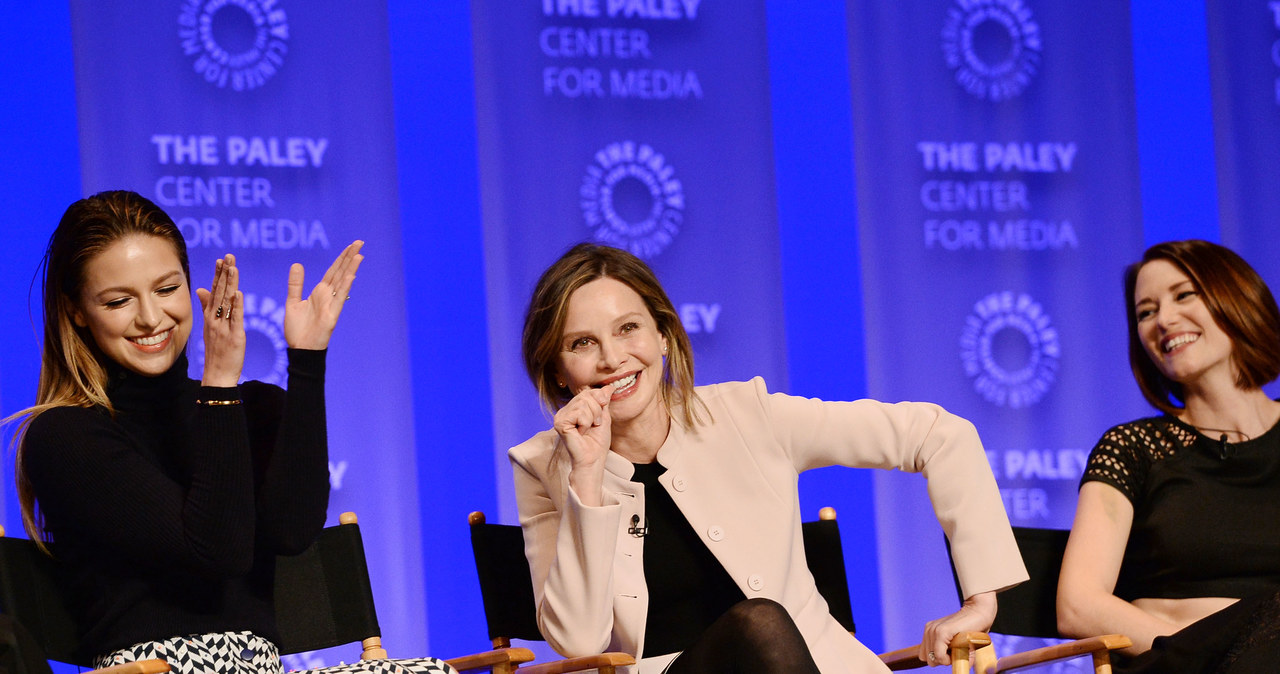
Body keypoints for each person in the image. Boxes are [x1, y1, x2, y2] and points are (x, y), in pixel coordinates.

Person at [510, 243, 1028, 673]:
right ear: (558, 371)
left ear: (663, 336)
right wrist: (588, 476)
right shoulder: (546, 468)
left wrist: (981, 603)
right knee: (759, 623)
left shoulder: (748, 415)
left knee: (766, 627)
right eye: (582, 343)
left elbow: (939, 435)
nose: (612, 358)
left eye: (628, 329)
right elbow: (579, 642)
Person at [5, 191, 454, 674]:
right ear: (76, 312)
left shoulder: (254, 405)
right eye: (118, 301)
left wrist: (306, 361)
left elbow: (292, 532)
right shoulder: (65, 436)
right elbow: (218, 550)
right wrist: (219, 385)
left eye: (166, 289)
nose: (151, 318)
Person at [1057, 240, 1280, 672]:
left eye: (1183, 295)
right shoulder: (1132, 447)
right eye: (1146, 312)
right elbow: (1078, 605)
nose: (1164, 320)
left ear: (1236, 295)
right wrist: (1219, 649)